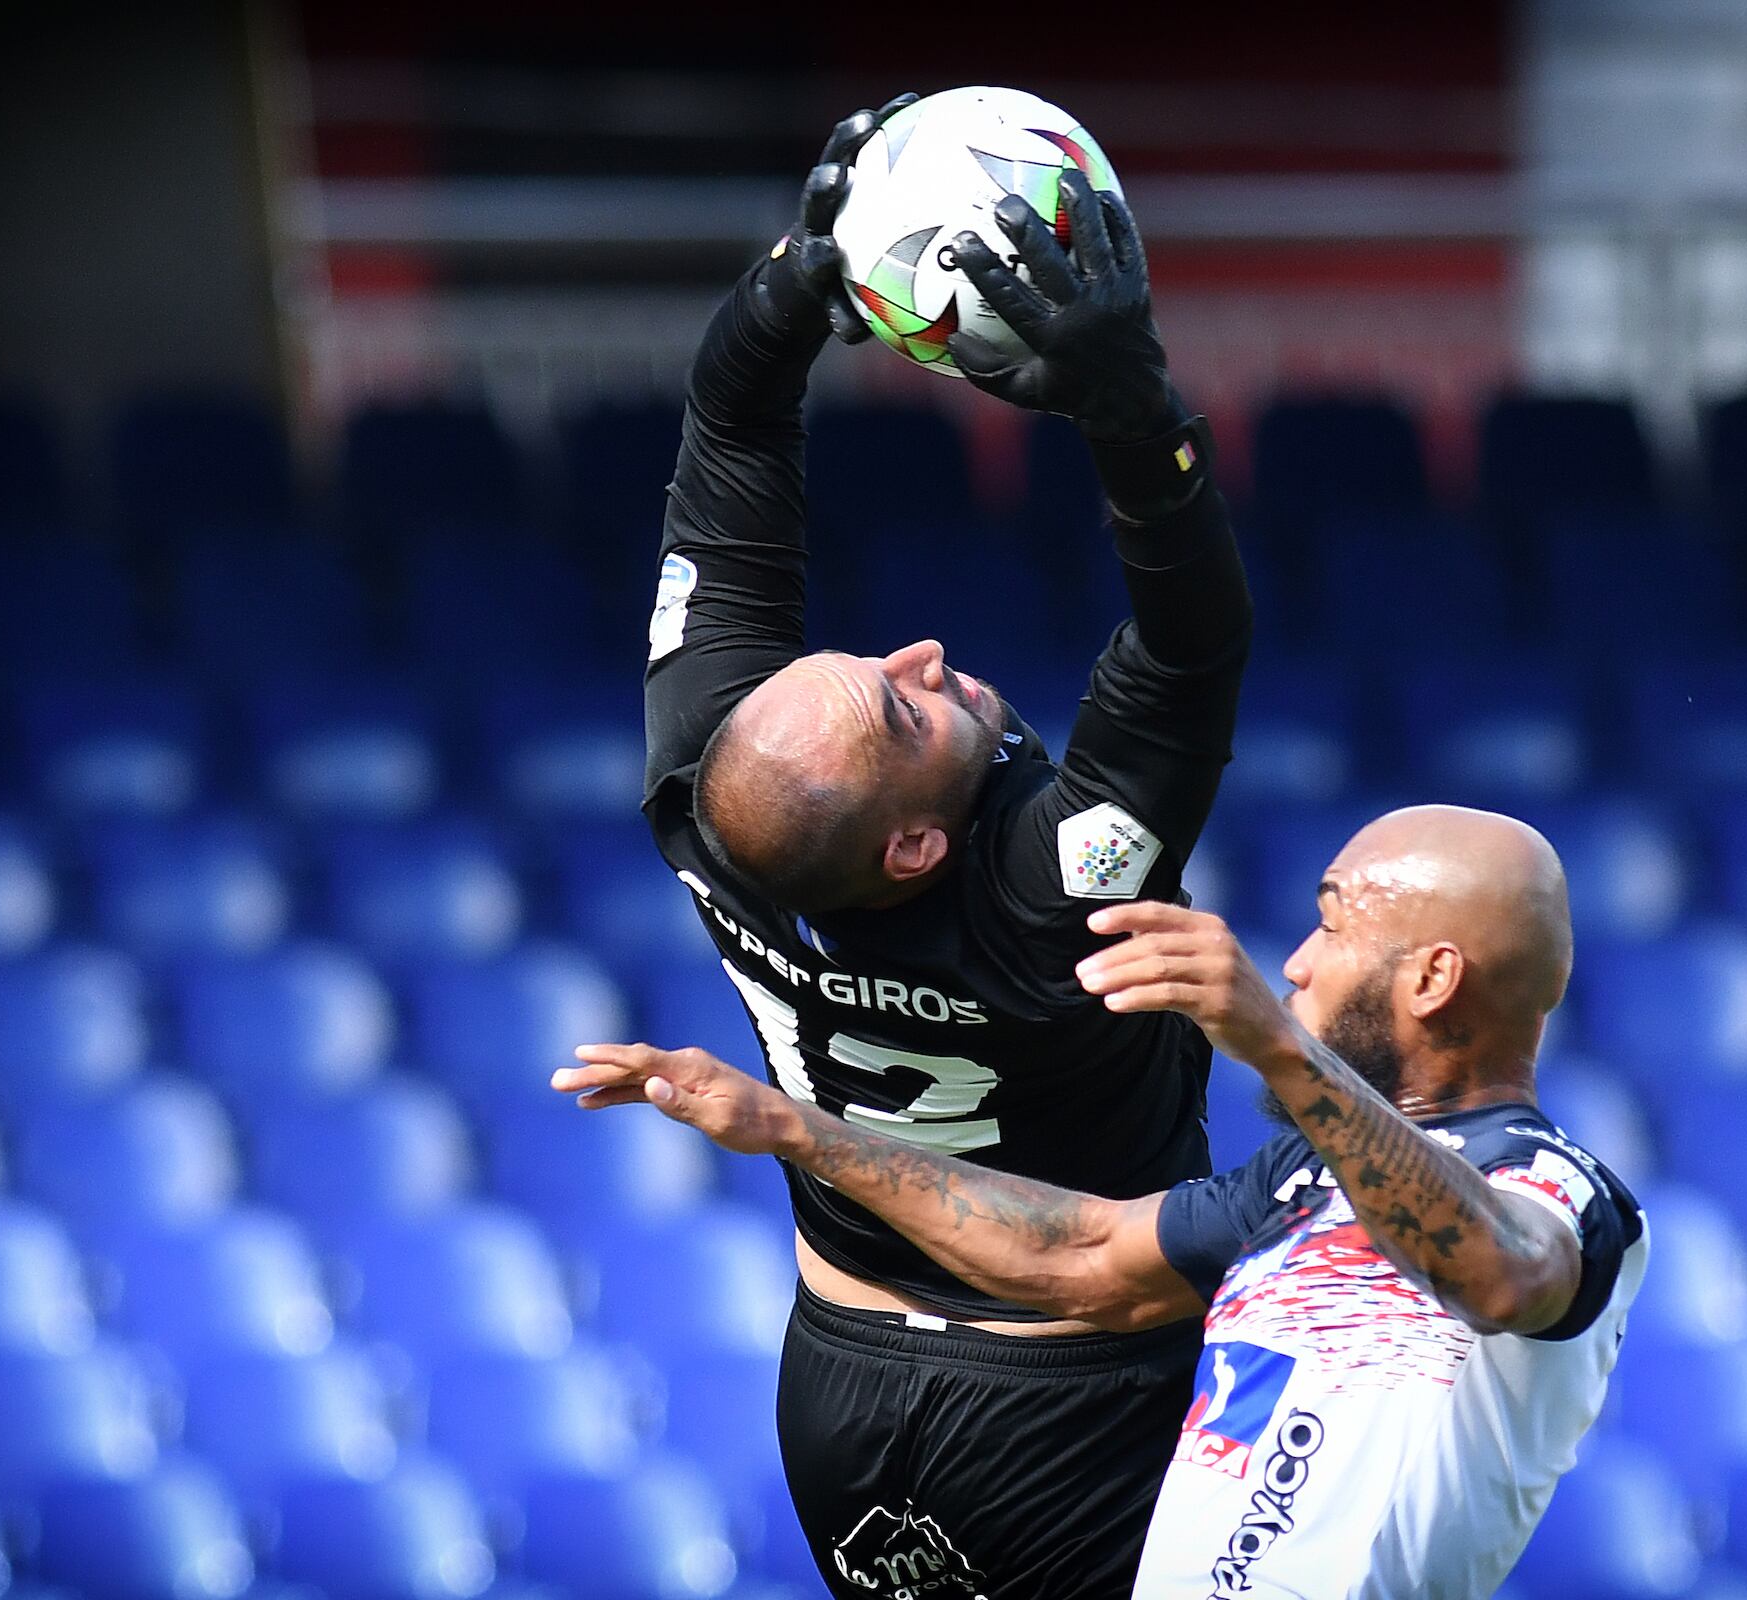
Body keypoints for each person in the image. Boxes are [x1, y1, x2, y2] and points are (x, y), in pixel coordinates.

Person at [625, 91, 1250, 1600]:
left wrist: (799, 278)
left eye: (875, 666)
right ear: (913, 851)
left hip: (839, 1382)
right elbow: (1190, 650)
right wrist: (1131, 406)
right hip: (1071, 1411)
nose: (917, 657)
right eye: (906, 715)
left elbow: (728, 428)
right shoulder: (1045, 902)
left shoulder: (721, 795)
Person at [558, 804, 1648, 1600]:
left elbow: (1505, 1274)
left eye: (1334, 925)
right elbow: (1079, 1257)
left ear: (1431, 979)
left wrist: (1268, 1041)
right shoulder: (1298, 1185)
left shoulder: (1553, 1183)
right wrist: (795, 1130)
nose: (1299, 964)